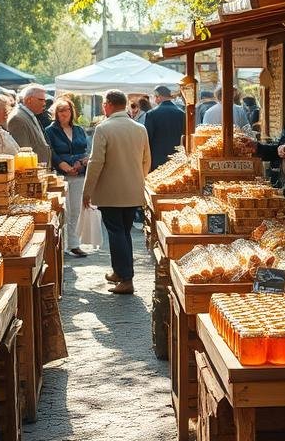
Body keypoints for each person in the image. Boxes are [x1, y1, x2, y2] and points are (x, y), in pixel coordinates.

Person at [82, 90, 151, 294]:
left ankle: (126, 278)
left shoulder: (103, 128)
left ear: (108, 105)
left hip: (110, 192)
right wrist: (138, 179)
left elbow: (96, 163)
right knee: (124, 232)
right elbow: (146, 160)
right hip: (133, 189)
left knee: (116, 233)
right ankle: (120, 272)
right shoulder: (140, 128)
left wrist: (87, 190)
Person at [46, 97, 90, 258]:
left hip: (79, 174)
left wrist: (83, 161)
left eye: (67, 109)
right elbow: (51, 151)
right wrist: (62, 164)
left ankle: (74, 244)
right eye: (60, 110)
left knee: (77, 210)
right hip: (61, 175)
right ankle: (62, 245)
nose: (64, 113)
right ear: (55, 113)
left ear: (72, 111)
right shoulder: (49, 131)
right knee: (65, 210)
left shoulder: (78, 129)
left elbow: (86, 149)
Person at [6, 84, 52, 166]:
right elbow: (23, 152)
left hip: (39, 170)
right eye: (41, 100)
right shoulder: (17, 118)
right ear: (29, 100)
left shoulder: (27, 114)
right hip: (31, 172)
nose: (44, 103)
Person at [144, 85, 185, 171]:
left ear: (158, 96)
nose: (155, 100)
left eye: (155, 97)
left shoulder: (151, 114)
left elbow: (147, 138)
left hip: (156, 158)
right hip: (177, 157)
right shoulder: (181, 113)